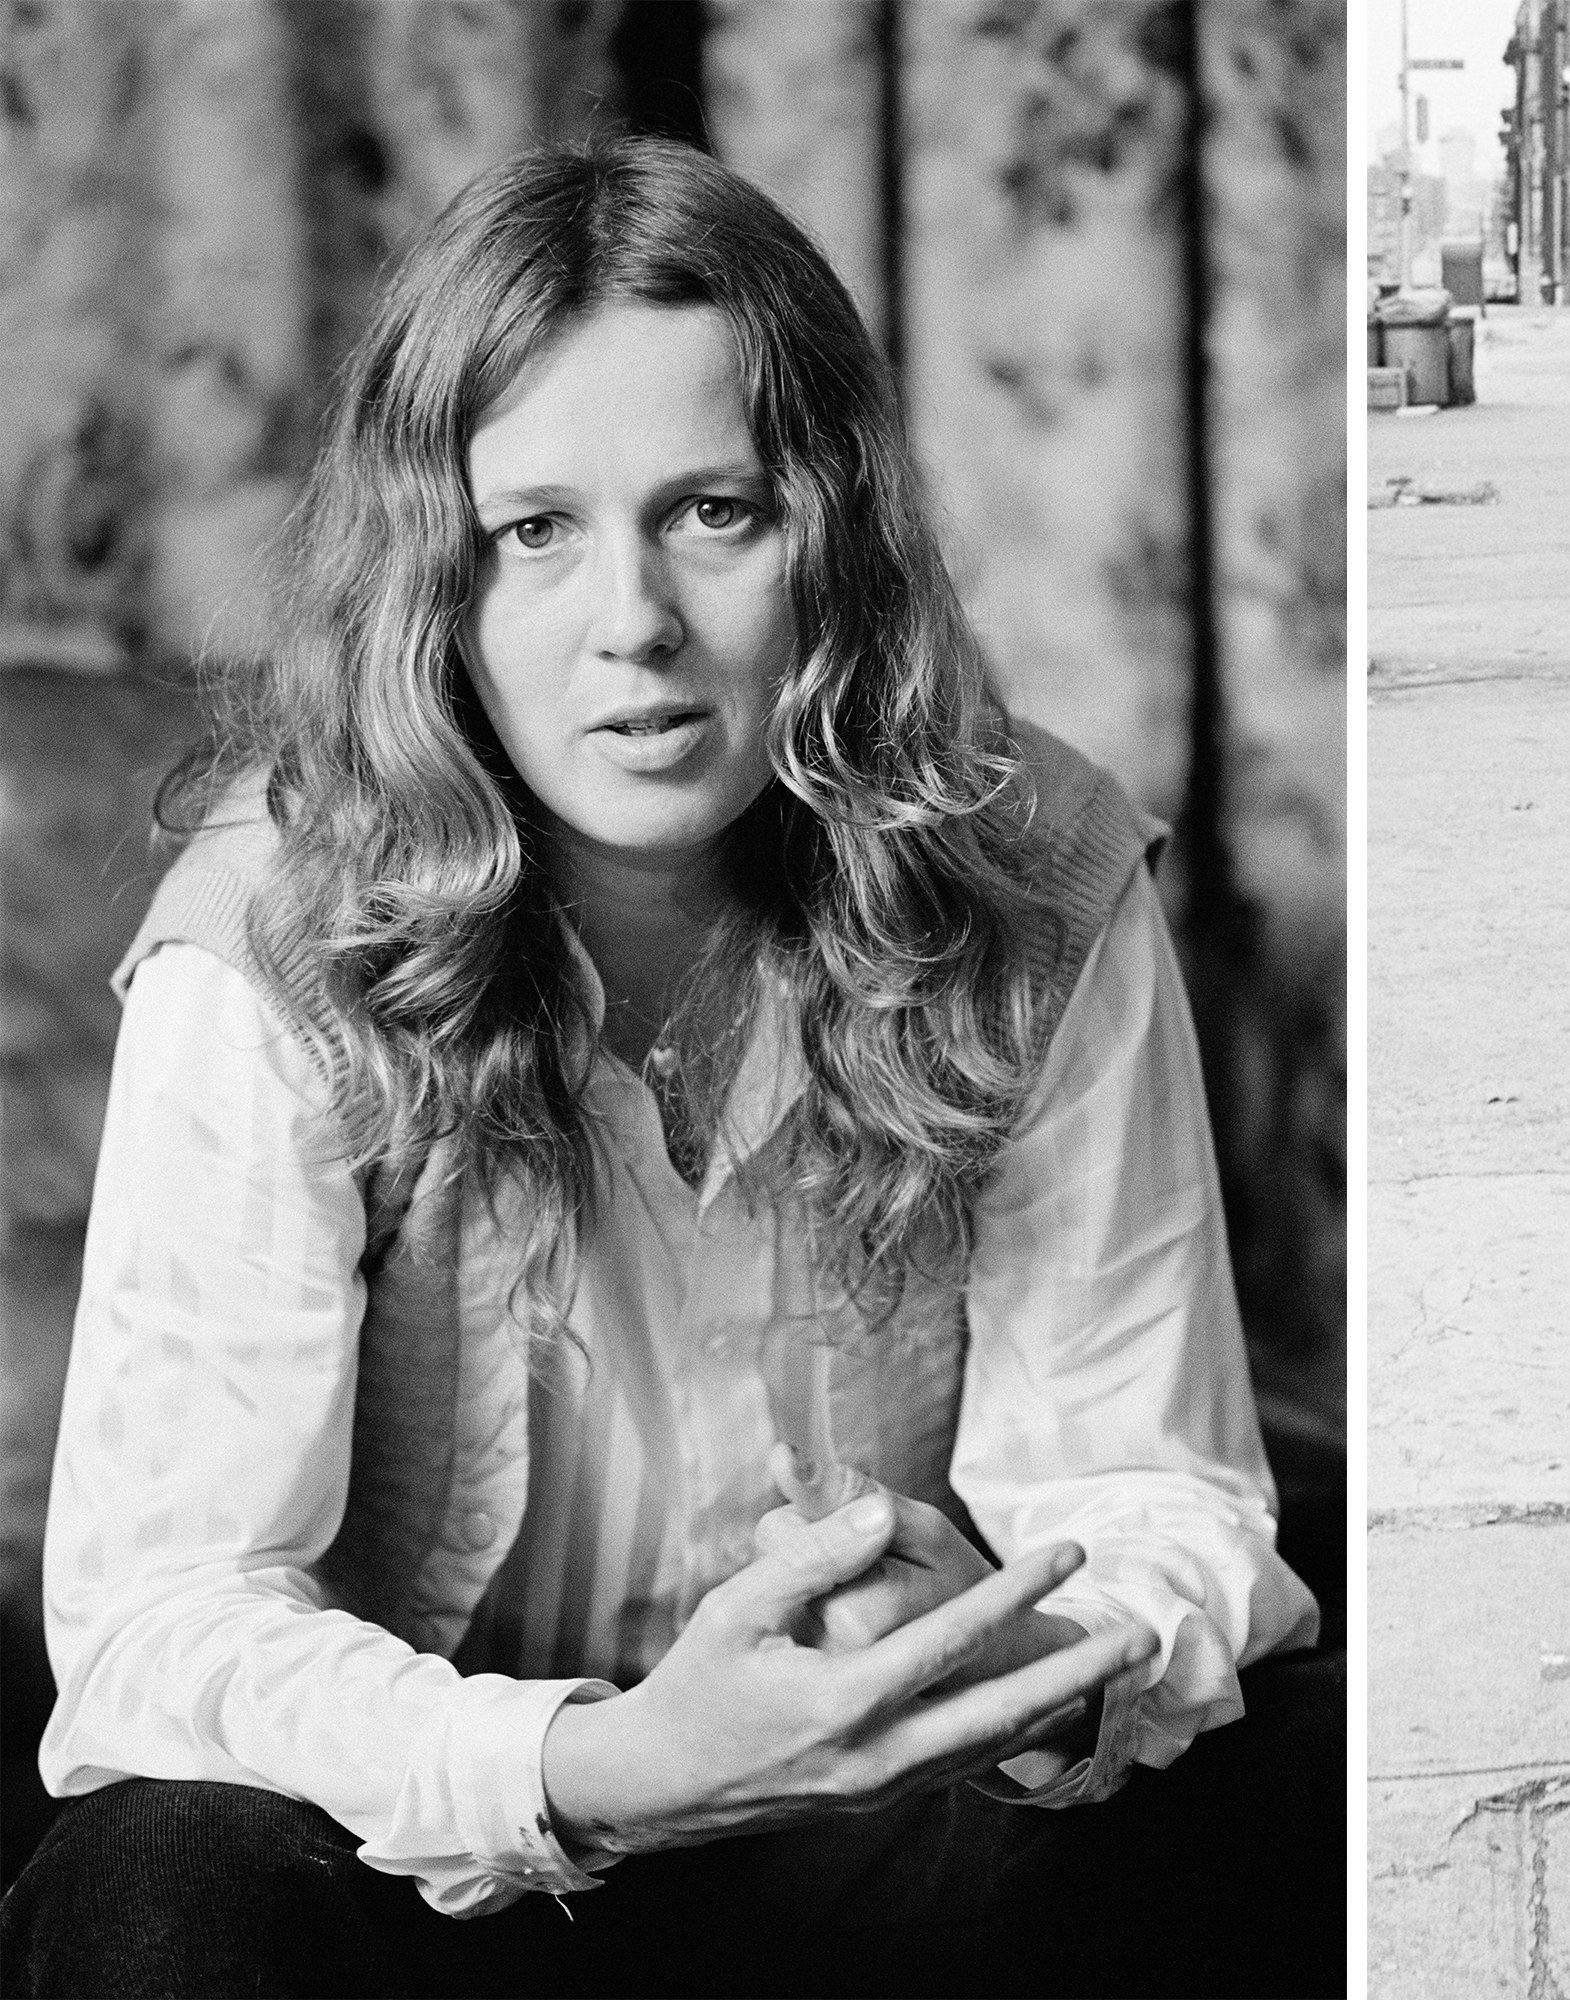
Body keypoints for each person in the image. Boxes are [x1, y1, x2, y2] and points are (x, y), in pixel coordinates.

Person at [0, 136, 1339, 1999]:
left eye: (711, 510)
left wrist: (1018, 1667)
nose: (629, 620)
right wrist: (615, 1766)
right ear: (434, 584)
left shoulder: (1031, 876)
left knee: (1305, 1768)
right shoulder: (275, 938)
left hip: (895, 1839)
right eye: (531, 529)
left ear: (832, 537)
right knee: (160, 1873)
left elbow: (1157, 1495)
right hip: (443, 1866)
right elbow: (152, 1631)